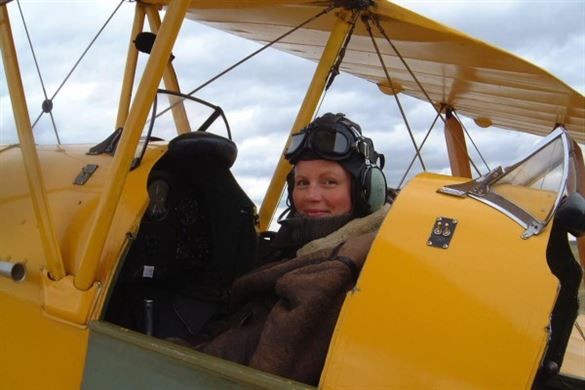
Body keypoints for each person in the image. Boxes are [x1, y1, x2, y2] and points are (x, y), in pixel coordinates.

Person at [197, 113, 391, 385]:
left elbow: (262, 363)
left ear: (366, 191)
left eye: (329, 182)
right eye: (302, 183)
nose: (311, 196)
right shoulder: (299, 247)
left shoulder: (333, 270)